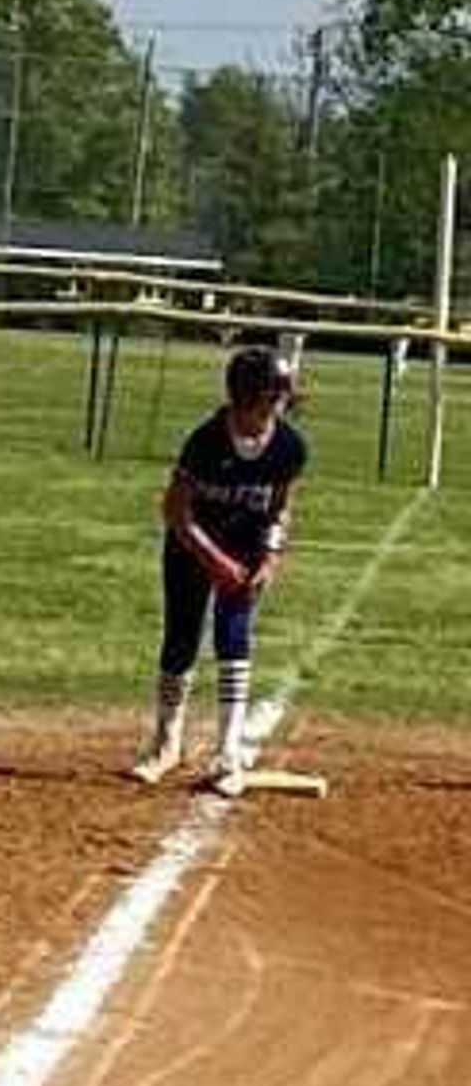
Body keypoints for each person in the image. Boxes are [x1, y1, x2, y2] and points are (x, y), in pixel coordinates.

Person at [126, 341, 306, 795]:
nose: (278, 404)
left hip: (246, 545)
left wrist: (270, 555)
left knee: (234, 634)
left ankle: (227, 754)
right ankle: (166, 745)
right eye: (271, 395)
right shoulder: (206, 440)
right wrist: (214, 560)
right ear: (246, 395)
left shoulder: (288, 445)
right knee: (182, 636)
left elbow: (282, 506)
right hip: (192, 543)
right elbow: (176, 511)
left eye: (279, 396)